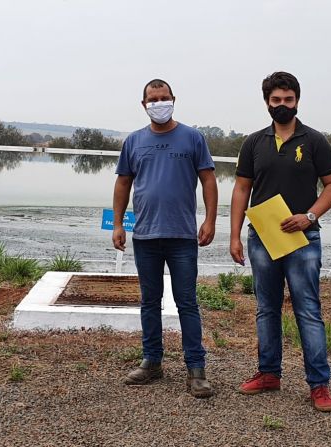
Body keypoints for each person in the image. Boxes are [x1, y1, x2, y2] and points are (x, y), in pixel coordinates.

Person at [229, 71, 331, 411]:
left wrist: (309, 216)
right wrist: (233, 235)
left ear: (297, 101)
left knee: (308, 310)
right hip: (262, 238)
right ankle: (268, 373)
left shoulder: (315, 141)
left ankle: (319, 385)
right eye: (276, 100)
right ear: (267, 102)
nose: (282, 105)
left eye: (288, 100)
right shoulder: (253, 143)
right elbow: (240, 189)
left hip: (303, 237)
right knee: (266, 309)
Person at [113, 78, 218, 398]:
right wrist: (118, 223)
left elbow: (209, 181)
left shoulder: (192, 138)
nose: (159, 103)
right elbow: (122, 185)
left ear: (173, 99)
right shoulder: (133, 142)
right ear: (143, 105)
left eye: (164, 98)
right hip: (145, 236)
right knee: (149, 301)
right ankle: (152, 362)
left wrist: (210, 220)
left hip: (182, 237)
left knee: (187, 302)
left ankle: (196, 370)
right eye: (153, 99)